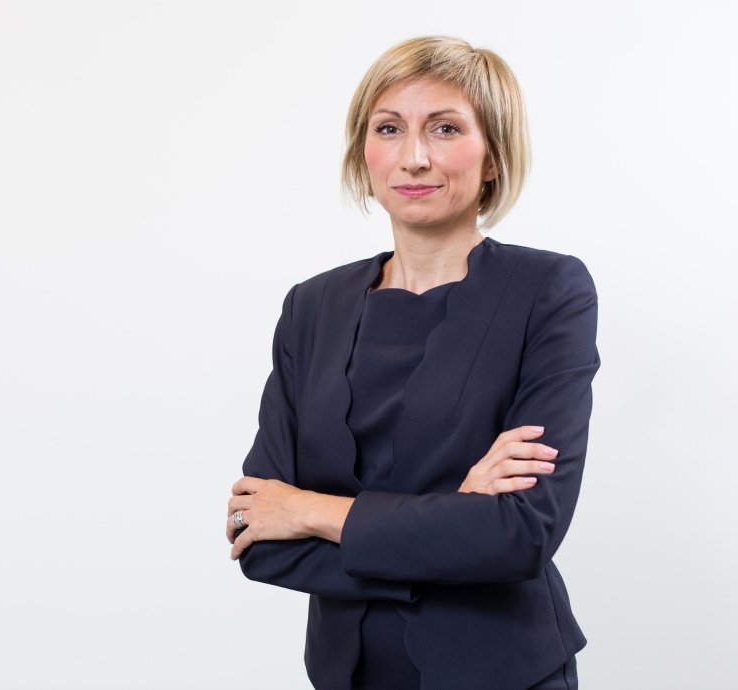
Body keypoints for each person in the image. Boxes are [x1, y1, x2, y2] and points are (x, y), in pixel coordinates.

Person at [225, 36, 599, 690]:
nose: (414, 156)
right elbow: (259, 537)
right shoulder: (313, 307)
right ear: (363, 152)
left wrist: (311, 511)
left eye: (445, 128)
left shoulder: (547, 292)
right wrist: (455, 519)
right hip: (348, 676)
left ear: (493, 156)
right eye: (389, 128)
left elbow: (520, 536)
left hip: (505, 675)